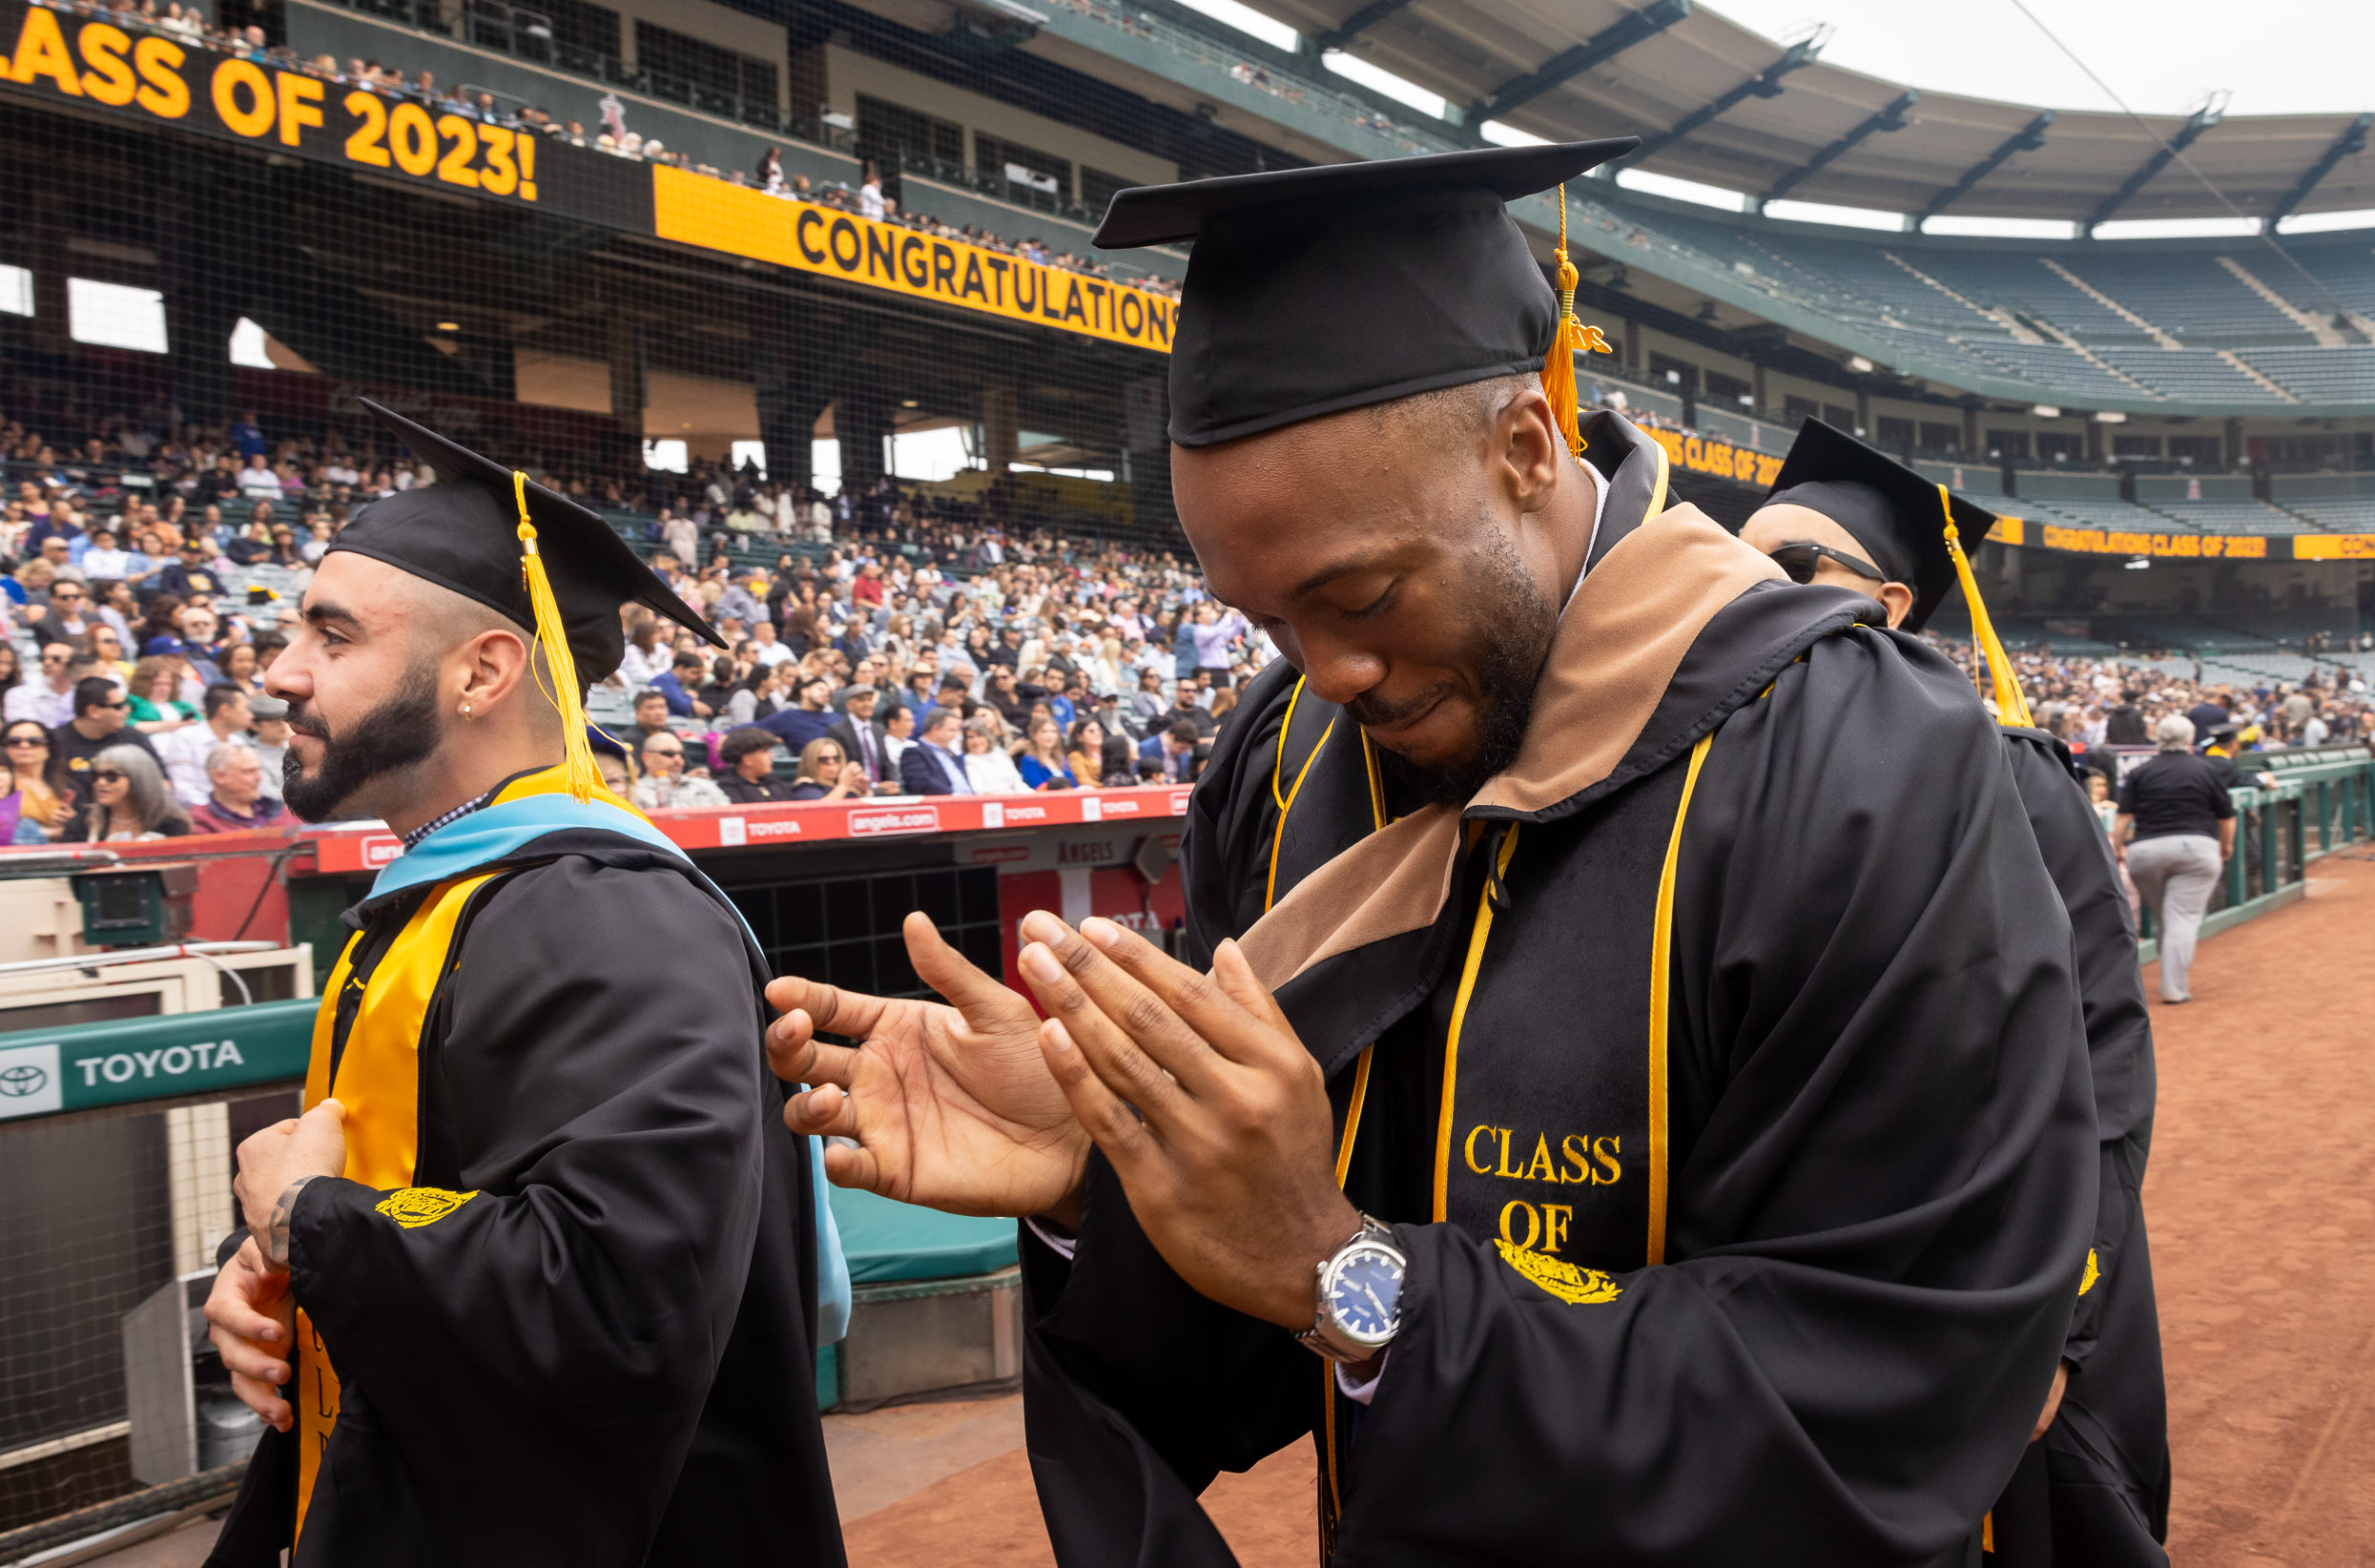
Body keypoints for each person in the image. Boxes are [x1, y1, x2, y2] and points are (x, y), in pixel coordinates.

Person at [766, 142, 2094, 1568]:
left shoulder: (1866, 768)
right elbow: (1263, 1329)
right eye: (1268, 618)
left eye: (1363, 592)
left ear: (1526, 447)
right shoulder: (1283, 771)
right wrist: (1110, 1174)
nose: (1327, 668)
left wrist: (1351, 1270)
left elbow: (1898, 1381)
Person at [197, 399, 844, 1567]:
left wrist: (315, 1223)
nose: (281, 673)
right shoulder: (443, 905)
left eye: (332, 636)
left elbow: (617, 1302)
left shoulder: (609, 912)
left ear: (483, 670)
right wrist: (283, 1279)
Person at [1739, 419, 2167, 1566]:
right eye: (1731, 554)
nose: (1742, 583)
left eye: (1787, 565)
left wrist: (2054, 1331)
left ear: (1886, 601)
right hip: (1763, 1335)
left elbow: (2103, 1068)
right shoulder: (1699, 790)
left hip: (1965, 1308)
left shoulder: (2004, 775)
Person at [2116, 714, 2235, 1006]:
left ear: (2159, 738)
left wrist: (2118, 846)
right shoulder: (2205, 770)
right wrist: (2227, 846)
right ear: (2190, 739)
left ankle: (2170, 979)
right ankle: (2174, 988)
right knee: (2181, 918)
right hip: (2196, 849)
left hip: (2145, 853)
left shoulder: (2141, 772)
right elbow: (2226, 816)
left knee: (2164, 918)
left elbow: (2124, 816)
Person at [52, 676, 160, 807]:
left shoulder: (134, 738)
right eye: (119, 706)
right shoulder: (55, 743)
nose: (127, 710)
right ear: (94, 711)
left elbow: (162, 783)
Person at [155, 682, 257, 807]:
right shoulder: (185, 738)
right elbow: (183, 791)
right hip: (200, 816)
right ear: (225, 710)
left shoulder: (238, 742)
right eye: (246, 709)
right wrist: (217, 812)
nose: (251, 715)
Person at [60, 744, 190, 840]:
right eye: (95, 775)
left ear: (139, 778)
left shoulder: (172, 824)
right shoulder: (83, 822)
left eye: (111, 776)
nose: (100, 782)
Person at [188, 743, 292, 833]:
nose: (259, 777)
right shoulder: (199, 822)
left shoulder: (281, 811)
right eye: (248, 771)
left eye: (258, 770)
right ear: (219, 777)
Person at [4, 718, 71, 842]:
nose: (24, 745)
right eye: (14, 742)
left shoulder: (66, 786)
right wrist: (47, 833)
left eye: (34, 741)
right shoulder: (3, 785)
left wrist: (71, 822)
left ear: (48, 749)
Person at [825, 685, 898, 794]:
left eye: (870, 700)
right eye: (861, 700)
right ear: (848, 704)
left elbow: (886, 762)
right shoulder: (837, 731)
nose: (867, 704)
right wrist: (874, 786)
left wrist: (892, 783)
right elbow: (843, 766)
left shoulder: (879, 730)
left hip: (883, 790)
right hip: (853, 791)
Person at [633, 730, 730, 809]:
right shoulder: (635, 792)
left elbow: (729, 816)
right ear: (646, 758)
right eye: (669, 754)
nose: (677, 759)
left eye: (681, 754)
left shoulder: (704, 785)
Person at [898, 706, 972, 795]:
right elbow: (922, 783)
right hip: (945, 804)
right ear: (935, 729)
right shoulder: (914, 754)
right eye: (951, 730)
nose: (955, 735)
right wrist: (954, 796)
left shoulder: (952, 755)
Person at [715, 726, 798, 801]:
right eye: (764, 751)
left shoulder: (775, 783)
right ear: (747, 759)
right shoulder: (727, 788)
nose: (771, 756)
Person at [6, 641, 78, 727]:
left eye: (56, 659)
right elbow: (26, 731)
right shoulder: (19, 694)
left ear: (73, 664)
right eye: (42, 658)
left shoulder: (81, 693)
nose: (47, 663)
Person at [790, 738, 867, 800]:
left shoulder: (844, 783)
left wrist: (864, 791)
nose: (831, 763)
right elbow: (820, 810)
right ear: (811, 762)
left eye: (836, 758)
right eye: (824, 760)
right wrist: (843, 785)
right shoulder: (806, 784)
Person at [961, 726, 1030, 794]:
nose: (976, 741)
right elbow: (980, 790)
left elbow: (1018, 782)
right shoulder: (968, 760)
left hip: (1016, 797)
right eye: (970, 737)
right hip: (994, 801)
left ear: (987, 737)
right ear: (965, 741)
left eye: (980, 735)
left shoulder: (999, 754)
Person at [1015, 717, 1075, 790]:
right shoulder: (1029, 761)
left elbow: (1073, 785)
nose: (1049, 735)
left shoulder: (1062, 759)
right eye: (1044, 732)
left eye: (1053, 732)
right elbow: (1038, 787)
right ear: (1034, 735)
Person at [1064, 718, 1107, 789]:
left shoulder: (1106, 752)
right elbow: (1084, 781)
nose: (1097, 733)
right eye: (1091, 731)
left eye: (1099, 730)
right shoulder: (1075, 756)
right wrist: (1108, 787)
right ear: (1079, 737)